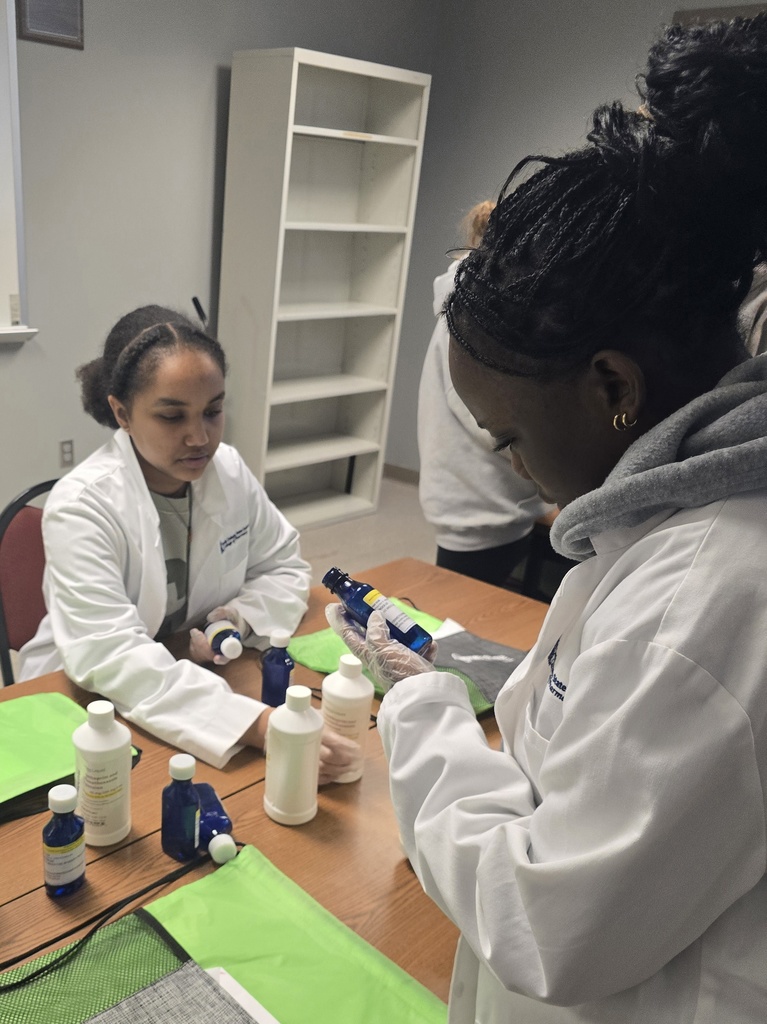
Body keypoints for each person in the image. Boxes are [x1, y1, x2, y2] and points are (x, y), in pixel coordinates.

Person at [327, 14, 767, 1022]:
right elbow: (595, 730)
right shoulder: (678, 524)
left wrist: (421, 715)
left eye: (508, 440)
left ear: (610, 384)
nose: (512, 470)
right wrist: (476, 671)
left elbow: (542, 921)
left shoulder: (707, 591)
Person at [19, 306, 357, 779]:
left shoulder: (229, 471)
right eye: (172, 416)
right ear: (122, 413)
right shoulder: (82, 505)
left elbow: (283, 566)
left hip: (193, 671)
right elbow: (112, 654)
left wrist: (240, 617)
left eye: (213, 411)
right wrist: (256, 725)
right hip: (87, 697)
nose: (200, 437)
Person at [418, 200, 553, 586]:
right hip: (477, 504)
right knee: (468, 611)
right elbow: (486, 416)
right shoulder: (468, 316)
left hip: (497, 500)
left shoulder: (476, 308)